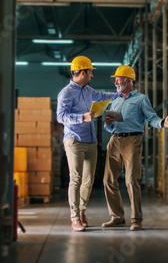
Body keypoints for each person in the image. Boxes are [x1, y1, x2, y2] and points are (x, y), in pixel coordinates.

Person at [102, 65, 168, 231]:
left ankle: (136, 220)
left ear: (128, 81)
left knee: (131, 181)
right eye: (115, 80)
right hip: (114, 141)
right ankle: (117, 217)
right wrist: (108, 124)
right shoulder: (115, 100)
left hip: (132, 141)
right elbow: (109, 126)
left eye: (118, 79)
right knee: (108, 180)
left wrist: (163, 123)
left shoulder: (141, 99)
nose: (115, 82)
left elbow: (152, 118)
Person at [56, 56, 120, 232]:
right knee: (75, 178)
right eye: (90, 72)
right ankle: (75, 218)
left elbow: (102, 96)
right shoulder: (66, 93)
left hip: (91, 140)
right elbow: (60, 117)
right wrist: (81, 117)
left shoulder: (88, 90)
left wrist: (119, 94)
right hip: (74, 140)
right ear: (83, 72)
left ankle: (82, 212)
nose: (92, 75)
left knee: (89, 180)